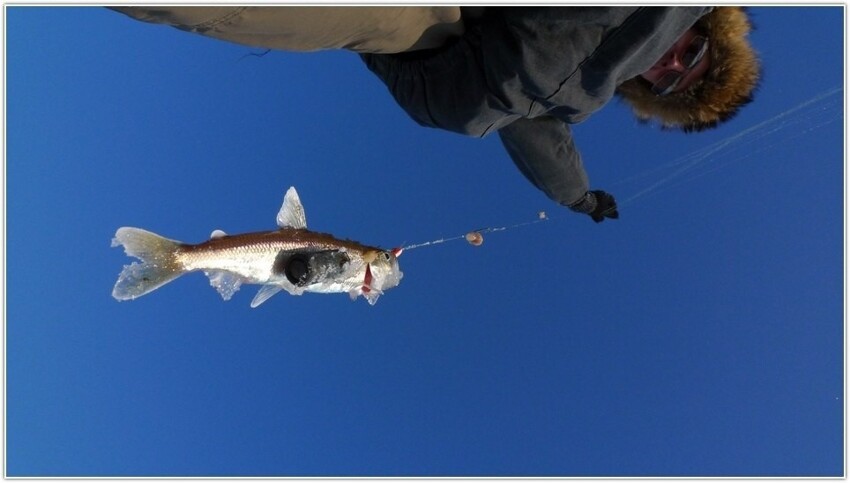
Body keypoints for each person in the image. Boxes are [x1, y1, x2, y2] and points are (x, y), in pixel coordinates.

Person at [110, 7, 761, 223]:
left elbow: (537, 129)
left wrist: (581, 197)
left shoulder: (572, 91)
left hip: (425, 26)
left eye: (674, 83)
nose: (672, 65)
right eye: (693, 53)